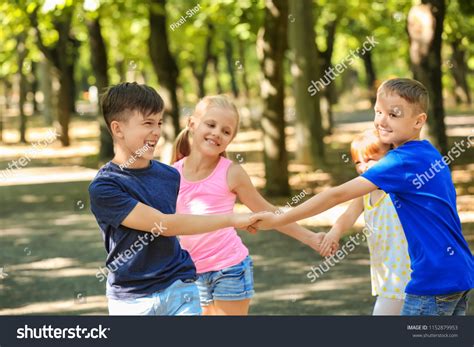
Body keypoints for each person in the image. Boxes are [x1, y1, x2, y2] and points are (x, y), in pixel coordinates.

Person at [255, 78, 473, 316]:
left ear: (418, 121)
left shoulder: (400, 161)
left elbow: (335, 195)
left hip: (434, 280)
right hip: (457, 271)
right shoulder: (428, 153)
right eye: (378, 111)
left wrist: (279, 219)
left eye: (394, 114)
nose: (382, 119)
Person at [88, 83, 262, 316]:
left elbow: (185, 221)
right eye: (148, 123)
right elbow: (165, 225)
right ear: (118, 129)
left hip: (179, 287)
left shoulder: (170, 175)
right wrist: (232, 219)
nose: (157, 131)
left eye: (159, 122)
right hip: (132, 299)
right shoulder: (105, 187)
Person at [172, 95, 325, 315]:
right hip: (189, 272)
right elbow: (162, 223)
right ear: (192, 124)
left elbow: (267, 211)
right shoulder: (172, 174)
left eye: (226, 131)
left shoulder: (231, 172)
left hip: (229, 267)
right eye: (211, 124)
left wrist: (310, 237)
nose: (217, 133)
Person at [320, 129, 411, 315]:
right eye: (358, 162)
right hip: (386, 273)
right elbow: (348, 216)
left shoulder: (399, 186)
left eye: (370, 159)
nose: (363, 167)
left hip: (406, 273)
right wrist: (334, 233)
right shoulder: (365, 191)